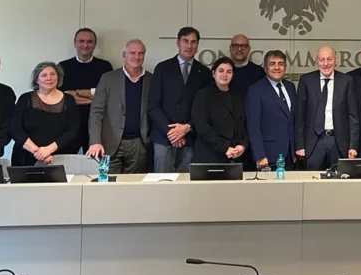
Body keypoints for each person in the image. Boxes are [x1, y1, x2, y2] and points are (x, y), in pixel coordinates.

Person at [148, 26, 211, 173]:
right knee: (162, 182)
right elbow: (153, 105)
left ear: (198, 45)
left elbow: (205, 109)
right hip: (164, 137)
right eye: (185, 41)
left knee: (185, 183)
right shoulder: (162, 68)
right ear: (178, 43)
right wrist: (172, 133)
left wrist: (186, 128)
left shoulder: (204, 73)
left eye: (193, 42)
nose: (189, 46)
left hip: (190, 138)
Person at [86, 39, 152, 174]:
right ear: (124, 56)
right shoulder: (108, 78)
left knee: (133, 183)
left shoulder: (152, 80)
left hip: (139, 143)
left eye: (140, 53)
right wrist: (95, 141)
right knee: (107, 182)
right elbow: (96, 112)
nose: (137, 57)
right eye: (132, 53)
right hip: (109, 143)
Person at [295, 46, 359, 170]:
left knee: (340, 179)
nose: (325, 63)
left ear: (336, 61)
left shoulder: (346, 81)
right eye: (322, 59)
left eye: (329, 59)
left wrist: (353, 146)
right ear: (316, 61)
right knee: (312, 179)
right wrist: (300, 145)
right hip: (313, 143)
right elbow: (299, 116)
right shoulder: (306, 81)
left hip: (338, 143)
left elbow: (353, 116)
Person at [10, 62, 80, 167]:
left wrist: (48, 150)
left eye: (53, 74)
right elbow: (15, 129)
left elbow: (72, 130)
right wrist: (39, 153)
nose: (49, 78)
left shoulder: (69, 100)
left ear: (58, 78)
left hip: (59, 158)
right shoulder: (25, 99)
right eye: (44, 75)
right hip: (26, 157)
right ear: (36, 80)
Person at [59, 28, 113, 154]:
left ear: (95, 44)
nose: (85, 45)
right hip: (69, 125)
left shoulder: (105, 67)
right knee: (67, 161)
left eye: (89, 42)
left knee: (94, 162)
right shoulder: (63, 67)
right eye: (81, 41)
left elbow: (107, 97)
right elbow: (62, 97)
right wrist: (93, 95)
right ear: (75, 43)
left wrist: (75, 93)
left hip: (96, 126)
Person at [245, 50, 297, 169]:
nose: (277, 67)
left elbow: (292, 120)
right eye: (272, 64)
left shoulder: (290, 87)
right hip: (268, 155)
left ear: (285, 67)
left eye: (281, 63)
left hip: (290, 154)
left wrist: (294, 148)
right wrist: (259, 155)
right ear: (265, 68)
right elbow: (253, 126)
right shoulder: (255, 90)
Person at [191, 57, 248, 164]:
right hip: (209, 156)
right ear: (213, 74)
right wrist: (225, 148)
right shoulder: (203, 94)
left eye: (229, 72)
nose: (225, 74)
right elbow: (202, 126)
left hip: (234, 156)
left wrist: (242, 145)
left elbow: (242, 125)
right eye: (221, 71)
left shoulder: (237, 96)